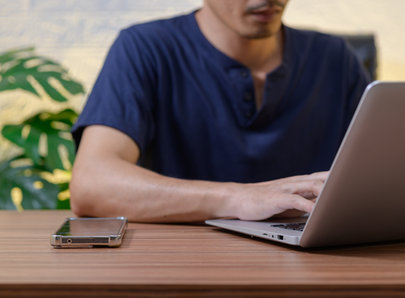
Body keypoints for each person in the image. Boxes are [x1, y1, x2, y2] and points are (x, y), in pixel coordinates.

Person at [70, 0, 369, 223]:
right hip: (183, 263)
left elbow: (389, 178)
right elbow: (91, 184)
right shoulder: (145, 48)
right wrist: (238, 198)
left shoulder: (334, 58)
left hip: (315, 265)